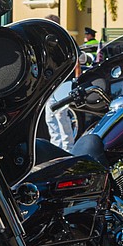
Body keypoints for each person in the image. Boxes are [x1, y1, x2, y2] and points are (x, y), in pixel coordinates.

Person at [44, 14, 78, 152]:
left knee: (61, 116)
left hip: (63, 83)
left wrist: (76, 78)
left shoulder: (66, 40)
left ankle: (67, 149)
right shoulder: (46, 41)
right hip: (50, 85)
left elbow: (77, 60)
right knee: (50, 117)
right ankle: (55, 148)